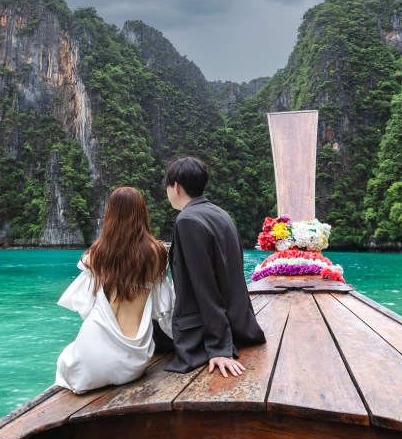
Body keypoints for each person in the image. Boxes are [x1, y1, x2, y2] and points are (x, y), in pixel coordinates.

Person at [55, 186, 174, 394]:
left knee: (66, 359)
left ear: (110, 214)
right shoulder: (157, 253)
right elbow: (164, 308)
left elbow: (84, 305)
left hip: (91, 354)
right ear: (142, 212)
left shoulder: (96, 253)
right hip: (133, 361)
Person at [163, 156, 265, 376]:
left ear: (177, 186)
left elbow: (204, 288)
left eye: (168, 186)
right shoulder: (222, 214)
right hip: (240, 324)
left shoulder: (187, 220)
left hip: (205, 337)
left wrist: (219, 348)